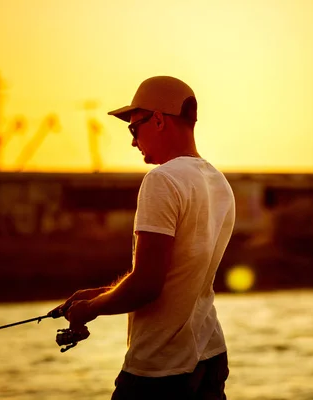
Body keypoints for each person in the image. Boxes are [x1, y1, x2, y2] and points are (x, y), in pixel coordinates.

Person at [50, 76, 235, 399]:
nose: (134, 142)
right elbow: (179, 276)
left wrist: (88, 311)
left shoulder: (161, 180)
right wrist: (97, 294)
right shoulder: (218, 182)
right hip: (209, 356)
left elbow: (147, 285)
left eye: (134, 128)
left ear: (160, 119)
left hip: (160, 371)